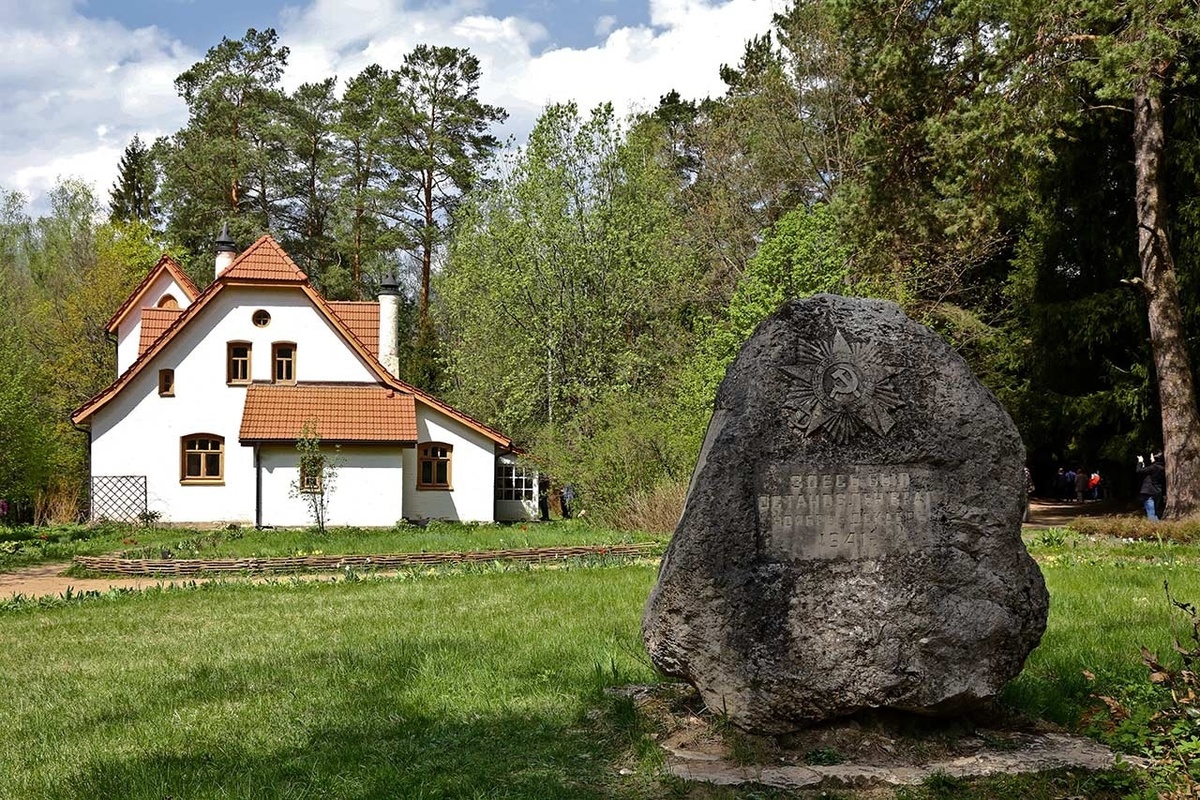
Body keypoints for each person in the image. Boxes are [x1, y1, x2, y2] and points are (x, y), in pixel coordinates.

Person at [1136, 453, 1165, 522]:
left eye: (1152, 457)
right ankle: (1157, 525)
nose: (1150, 458)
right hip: (1157, 491)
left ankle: (1153, 526)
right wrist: (1143, 467)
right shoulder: (1162, 468)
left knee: (1151, 513)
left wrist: (1140, 462)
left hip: (1148, 491)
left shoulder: (1153, 467)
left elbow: (1138, 471)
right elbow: (1147, 473)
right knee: (1155, 512)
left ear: (1156, 459)